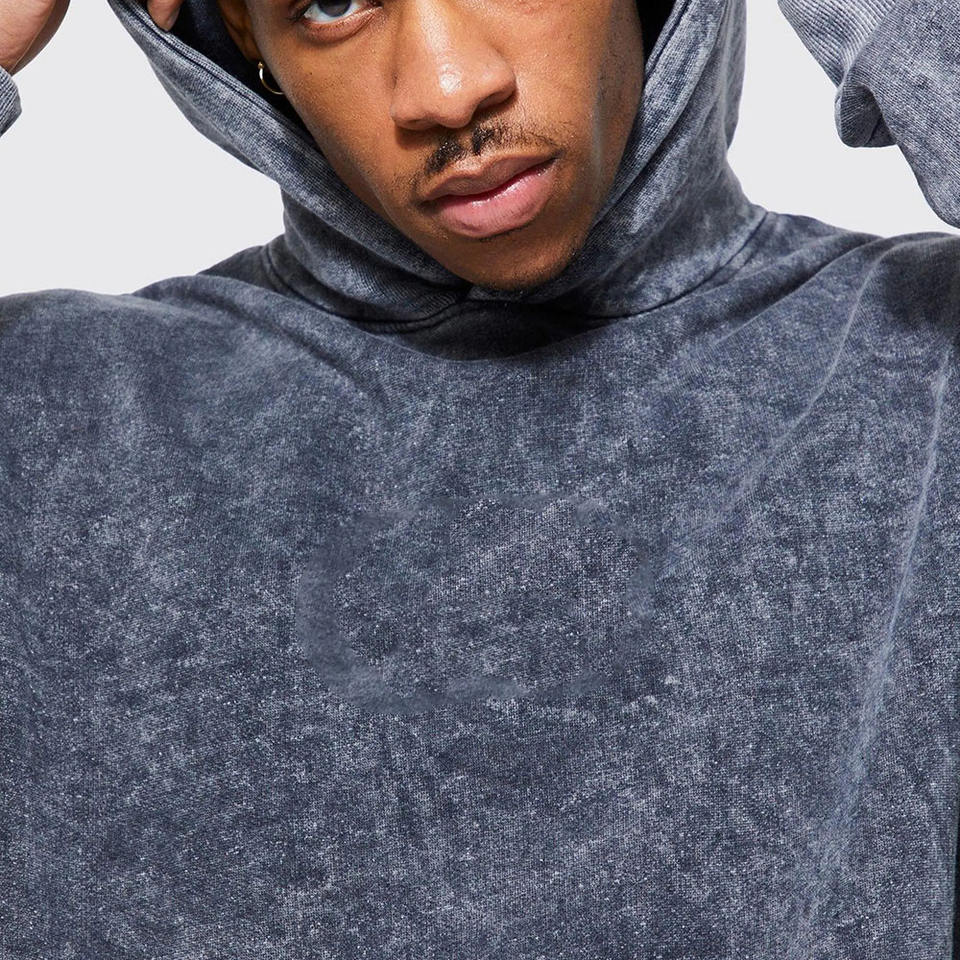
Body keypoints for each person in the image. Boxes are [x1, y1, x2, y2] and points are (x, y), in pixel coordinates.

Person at [1, 0, 958, 954]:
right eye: (332, 3)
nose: (449, 89)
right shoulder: (56, 418)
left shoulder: (925, 363)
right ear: (245, 31)